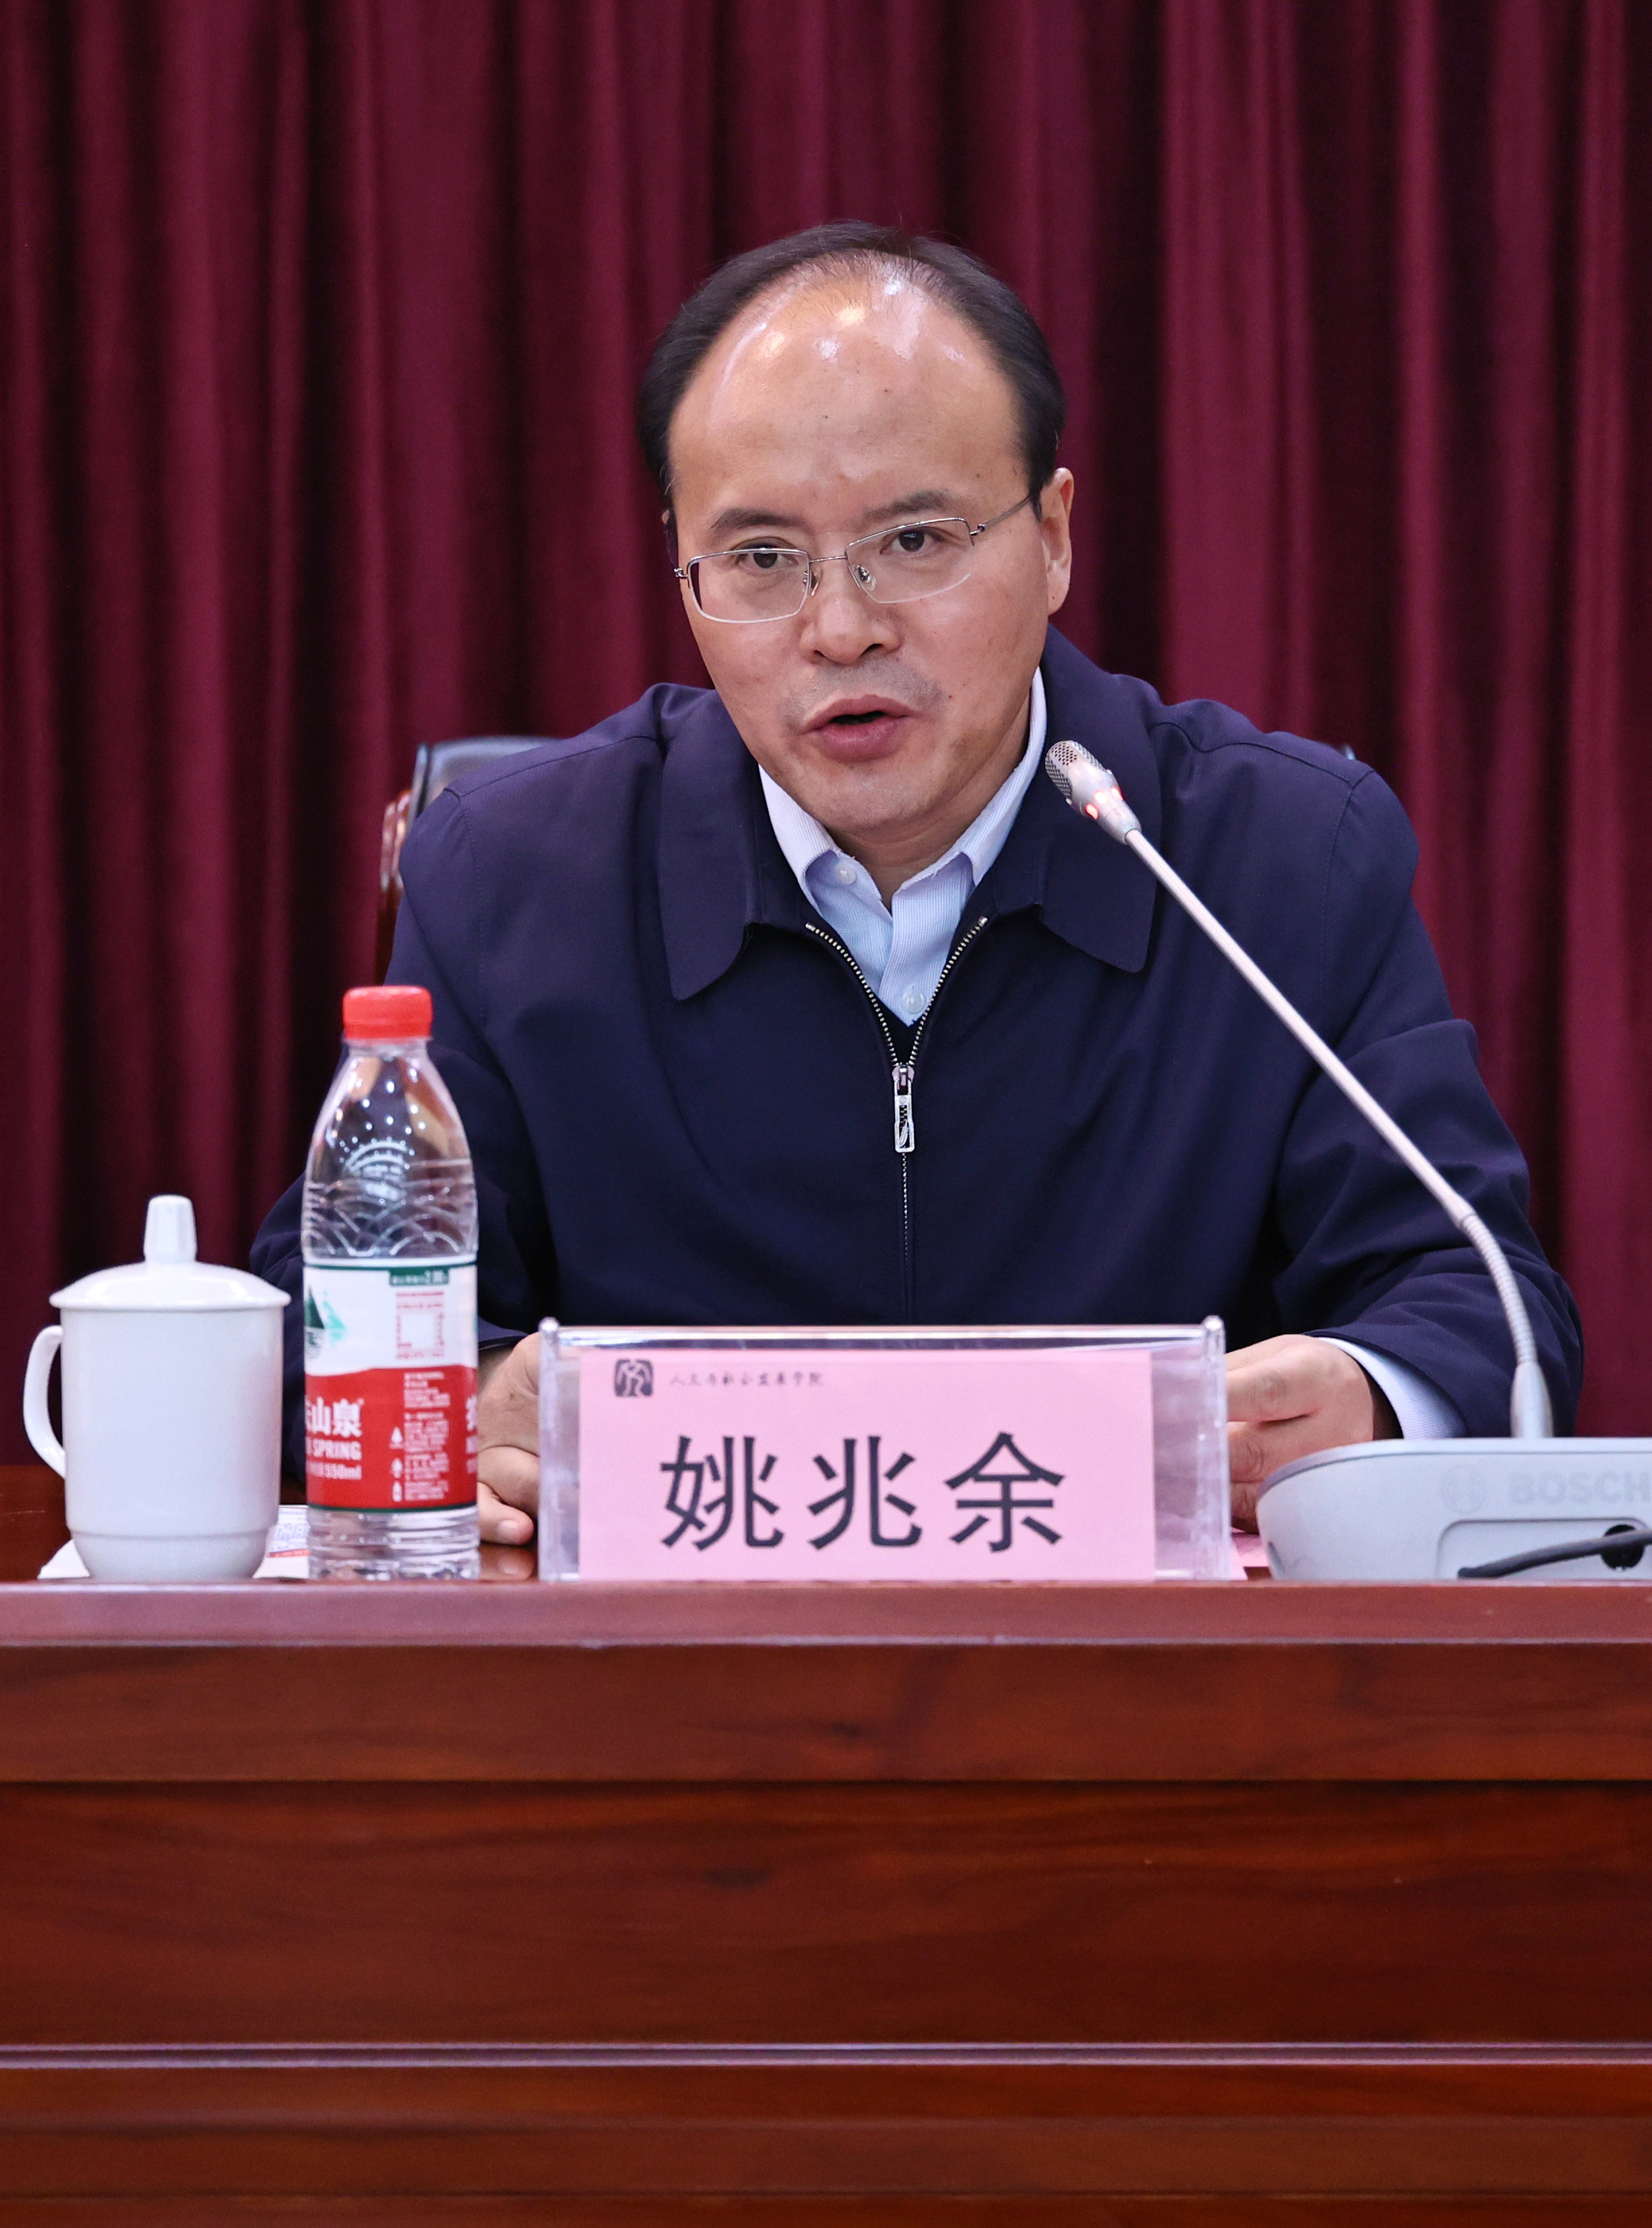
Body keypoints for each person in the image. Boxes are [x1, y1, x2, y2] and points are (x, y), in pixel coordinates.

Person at [252, 222, 1578, 1545]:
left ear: (1053, 536)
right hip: (669, 1660)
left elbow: (1477, 1300)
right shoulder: (514, 878)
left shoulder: (1280, 859)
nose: (842, 628)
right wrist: (474, 1395)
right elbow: (329, 1308)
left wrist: (1372, 1396)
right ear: (682, 567)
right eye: (762, 560)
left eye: (917, 540)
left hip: (1142, 1662)